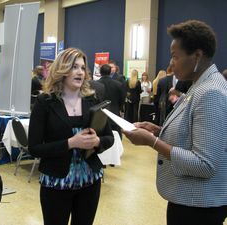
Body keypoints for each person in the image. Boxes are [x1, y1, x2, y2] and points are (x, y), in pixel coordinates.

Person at [123, 20, 227, 225]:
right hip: (189, 200)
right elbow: (195, 134)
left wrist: (152, 142)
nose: (171, 64)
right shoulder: (200, 86)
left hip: (198, 206)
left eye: (175, 57)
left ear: (196, 56)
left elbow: (204, 164)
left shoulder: (210, 92)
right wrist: (158, 131)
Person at [28, 48, 114, 225]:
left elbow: (109, 137)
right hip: (56, 182)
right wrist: (71, 143)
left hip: (90, 180)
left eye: (83, 68)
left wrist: (97, 141)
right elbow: (35, 148)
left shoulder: (92, 99)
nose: (80, 72)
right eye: (74, 67)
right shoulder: (45, 102)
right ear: (62, 69)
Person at [98, 64, 125, 138]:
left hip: (100, 115)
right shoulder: (118, 85)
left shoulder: (95, 85)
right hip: (115, 114)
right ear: (110, 72)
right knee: (117, 138)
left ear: (100, 72)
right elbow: (122, 99)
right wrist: (119, 108)